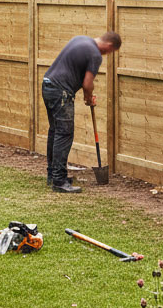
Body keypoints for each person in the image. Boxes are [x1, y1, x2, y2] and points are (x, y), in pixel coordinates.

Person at [42, 31, 122, 193]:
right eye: (111, 52)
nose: (107, 54)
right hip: (61, 92)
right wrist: (88, 98)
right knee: (64, 134)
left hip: (48, 85)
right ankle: (59, 180)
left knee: (55, 131)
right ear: (109, 46)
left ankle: (53, 175)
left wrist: (87, 95)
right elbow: (87, 84)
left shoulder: (80, 39)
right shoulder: (95, 54)